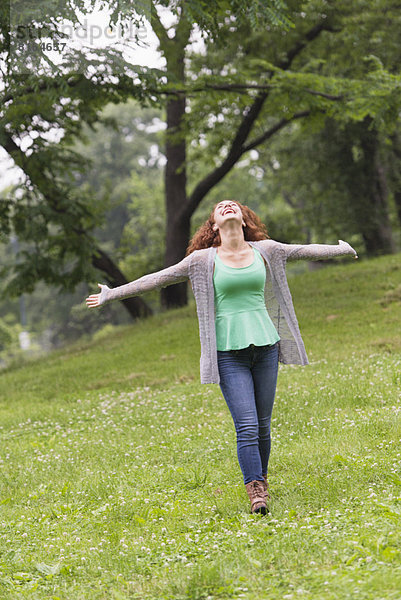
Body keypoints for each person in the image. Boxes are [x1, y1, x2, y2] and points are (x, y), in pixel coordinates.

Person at [86, 200, 358, 515]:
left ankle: (262, 479)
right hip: (229, 354)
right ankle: (256, 493)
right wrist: (112, 293)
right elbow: (157, 279)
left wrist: (341, 250)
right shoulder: (202, 261)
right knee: (246, 425)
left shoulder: (266, 250)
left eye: (233, 205)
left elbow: (304, 250)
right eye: (220, 207)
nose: (227, 206)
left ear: (243, 219)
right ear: (214, 225)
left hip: (266, 347)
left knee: (263, 426)